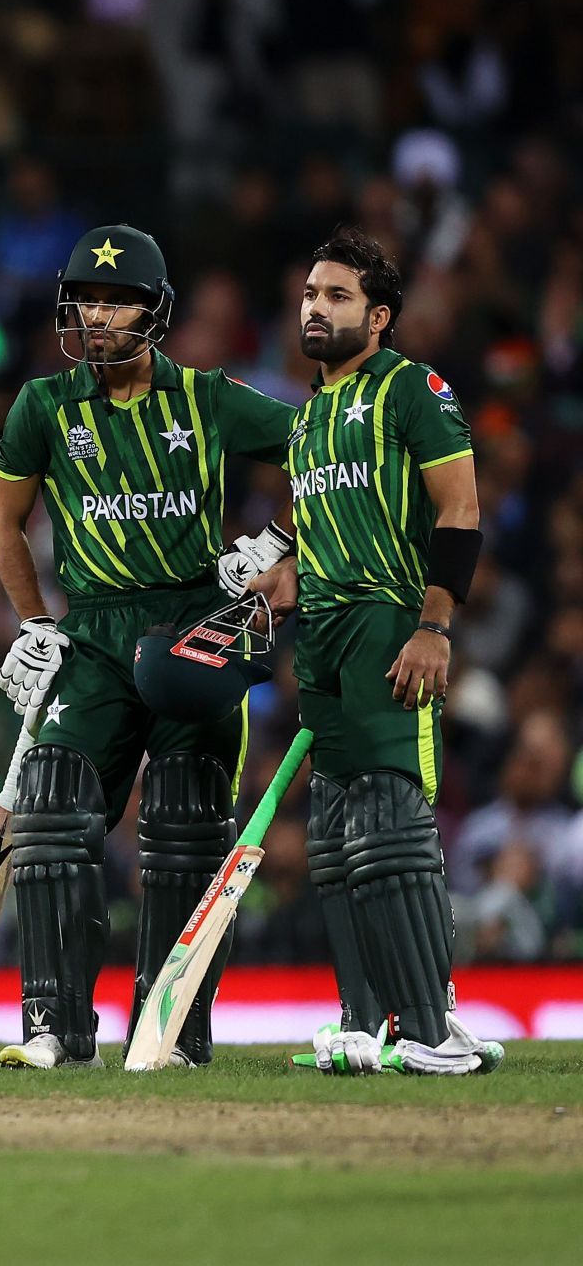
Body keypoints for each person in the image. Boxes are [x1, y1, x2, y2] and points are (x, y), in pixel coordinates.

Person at [0, 224, 296, 1070]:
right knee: (48, 807)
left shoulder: (208, 397)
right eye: (86, 297)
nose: (96, 315)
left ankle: (175, 1033)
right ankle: (56, 1027)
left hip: (195, 622)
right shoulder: (42, 405)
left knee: (189, 824)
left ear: (153, 313)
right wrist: (34, 621)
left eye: (116, 301)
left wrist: (280, 549)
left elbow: (321, 453)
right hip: (88, 631)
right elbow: (5, 523)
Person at [267, 228, 501, 1076]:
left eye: (337, 296)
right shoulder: (307, 419)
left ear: (380, 314)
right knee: (336, 839)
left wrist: (434, 626)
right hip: (322, 636)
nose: (316, 308)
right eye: (309, 294)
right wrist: (285, 570)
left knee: (392, 826)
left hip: (387, 622)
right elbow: (319, 528)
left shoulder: (412, 388)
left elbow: (461, 509)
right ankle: (365, 1024)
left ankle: (430, 1027)